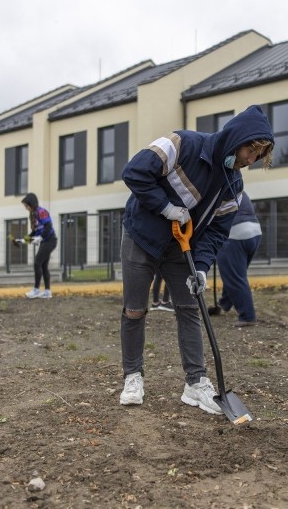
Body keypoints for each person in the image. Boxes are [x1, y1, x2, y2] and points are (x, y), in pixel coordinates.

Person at [118, 105, 274, 415]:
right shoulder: (181, 143)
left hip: (180, 248)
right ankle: (133, 377)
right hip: (141, 237)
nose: (250, 160)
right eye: (250, 150)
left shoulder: (234, 185)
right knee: (135, 309)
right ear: (236, 137)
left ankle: (195, 383)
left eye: (258, 156)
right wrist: (165, 207)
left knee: (189, 309)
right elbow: (133, 172)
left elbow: (217, 231)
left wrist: (201, 267)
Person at [215, 191, 262, 326]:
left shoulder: (213, 186)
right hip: (255, 230)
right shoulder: (235, 184)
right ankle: (224, 303)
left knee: (235, 277)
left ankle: (247, 316)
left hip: (234, 233)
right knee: (235, 273)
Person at [18, 193, 57, 299]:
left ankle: (36, 290)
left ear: (31, 203)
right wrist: (23, 240)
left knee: (37, 263)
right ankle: (47, 292)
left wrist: (40, 237)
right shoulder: (33, 214)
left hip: (50, 240)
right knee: (43, 265)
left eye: (26, 205)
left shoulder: (41, 212)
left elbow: (48, 226)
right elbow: (34, 233)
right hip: (45, 241)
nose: (26, 208)